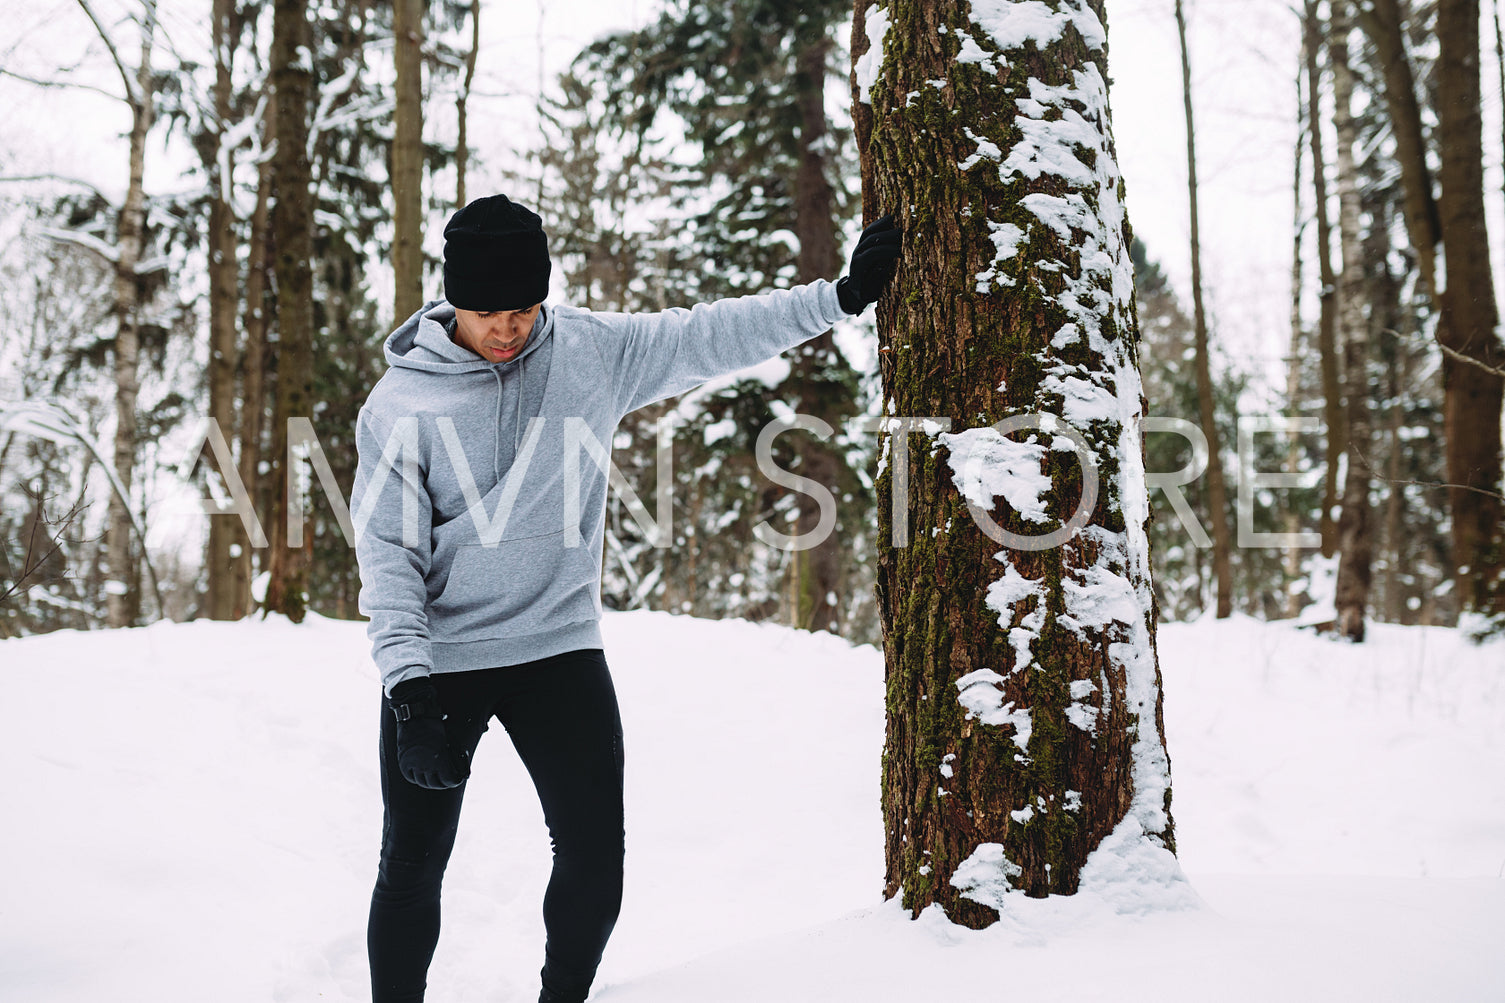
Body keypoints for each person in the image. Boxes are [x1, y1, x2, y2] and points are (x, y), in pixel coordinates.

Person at [351, 193, 901, 1003]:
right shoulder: (399, 406)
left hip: (557, 646)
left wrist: (839, 298)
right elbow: (389, 556)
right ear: (452, 303)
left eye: (523, 309)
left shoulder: (590, 352)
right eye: (486, 312)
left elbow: (705, 334)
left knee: (593, 855)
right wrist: (409, 685)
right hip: (443, 663)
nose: (506, 329)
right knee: (412, 860)